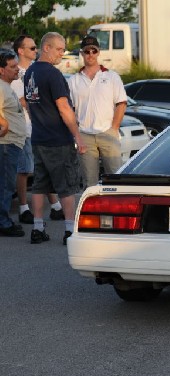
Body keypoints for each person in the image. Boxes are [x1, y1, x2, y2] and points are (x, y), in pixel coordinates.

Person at [24, 32, 87, 245]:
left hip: (39, 138)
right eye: (59, 49)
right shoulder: (52, 74)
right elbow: (63, 107)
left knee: (40, 185)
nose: (62, 54)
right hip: (57, 139)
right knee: (66, 184)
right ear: (47, 48)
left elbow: (30, 106)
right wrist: (77, 136)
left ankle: (38, 228)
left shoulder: (30, 72)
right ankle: (70, 231)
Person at [11, 34, 64, 224]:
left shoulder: (35, 71)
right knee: (24, 169)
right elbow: (18, 101)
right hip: (23, 128)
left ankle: (56, 206)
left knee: (45, 167)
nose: (36, 50)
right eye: (32, 48)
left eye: (36, 48)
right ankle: (24, 208)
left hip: (39, 128)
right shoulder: (15, 73)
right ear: (20, 50)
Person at [68, 36, 127, 189]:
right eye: (87, 51)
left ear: (99, 52)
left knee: (115, 179)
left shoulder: (111, 76)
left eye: (94, 50)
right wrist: (77, 135)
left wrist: (114, 128)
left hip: (108, 132)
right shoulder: (74, 80)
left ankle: (117, 213)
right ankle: (92, 213)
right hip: (85, 135)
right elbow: (70, 110)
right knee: (89, 183)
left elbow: (121, 103)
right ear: (82, 53)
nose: (91, 54)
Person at [0, 50, 27, 237]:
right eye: (12, 66)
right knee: (5, 186)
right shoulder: (0, 87)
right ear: (1, 70)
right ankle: (3, 223)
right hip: (6, 145)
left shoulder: (6, 86)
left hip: (12, 144)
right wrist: (3, 123)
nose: (17, 69)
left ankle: (4, 220)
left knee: (6, 185)